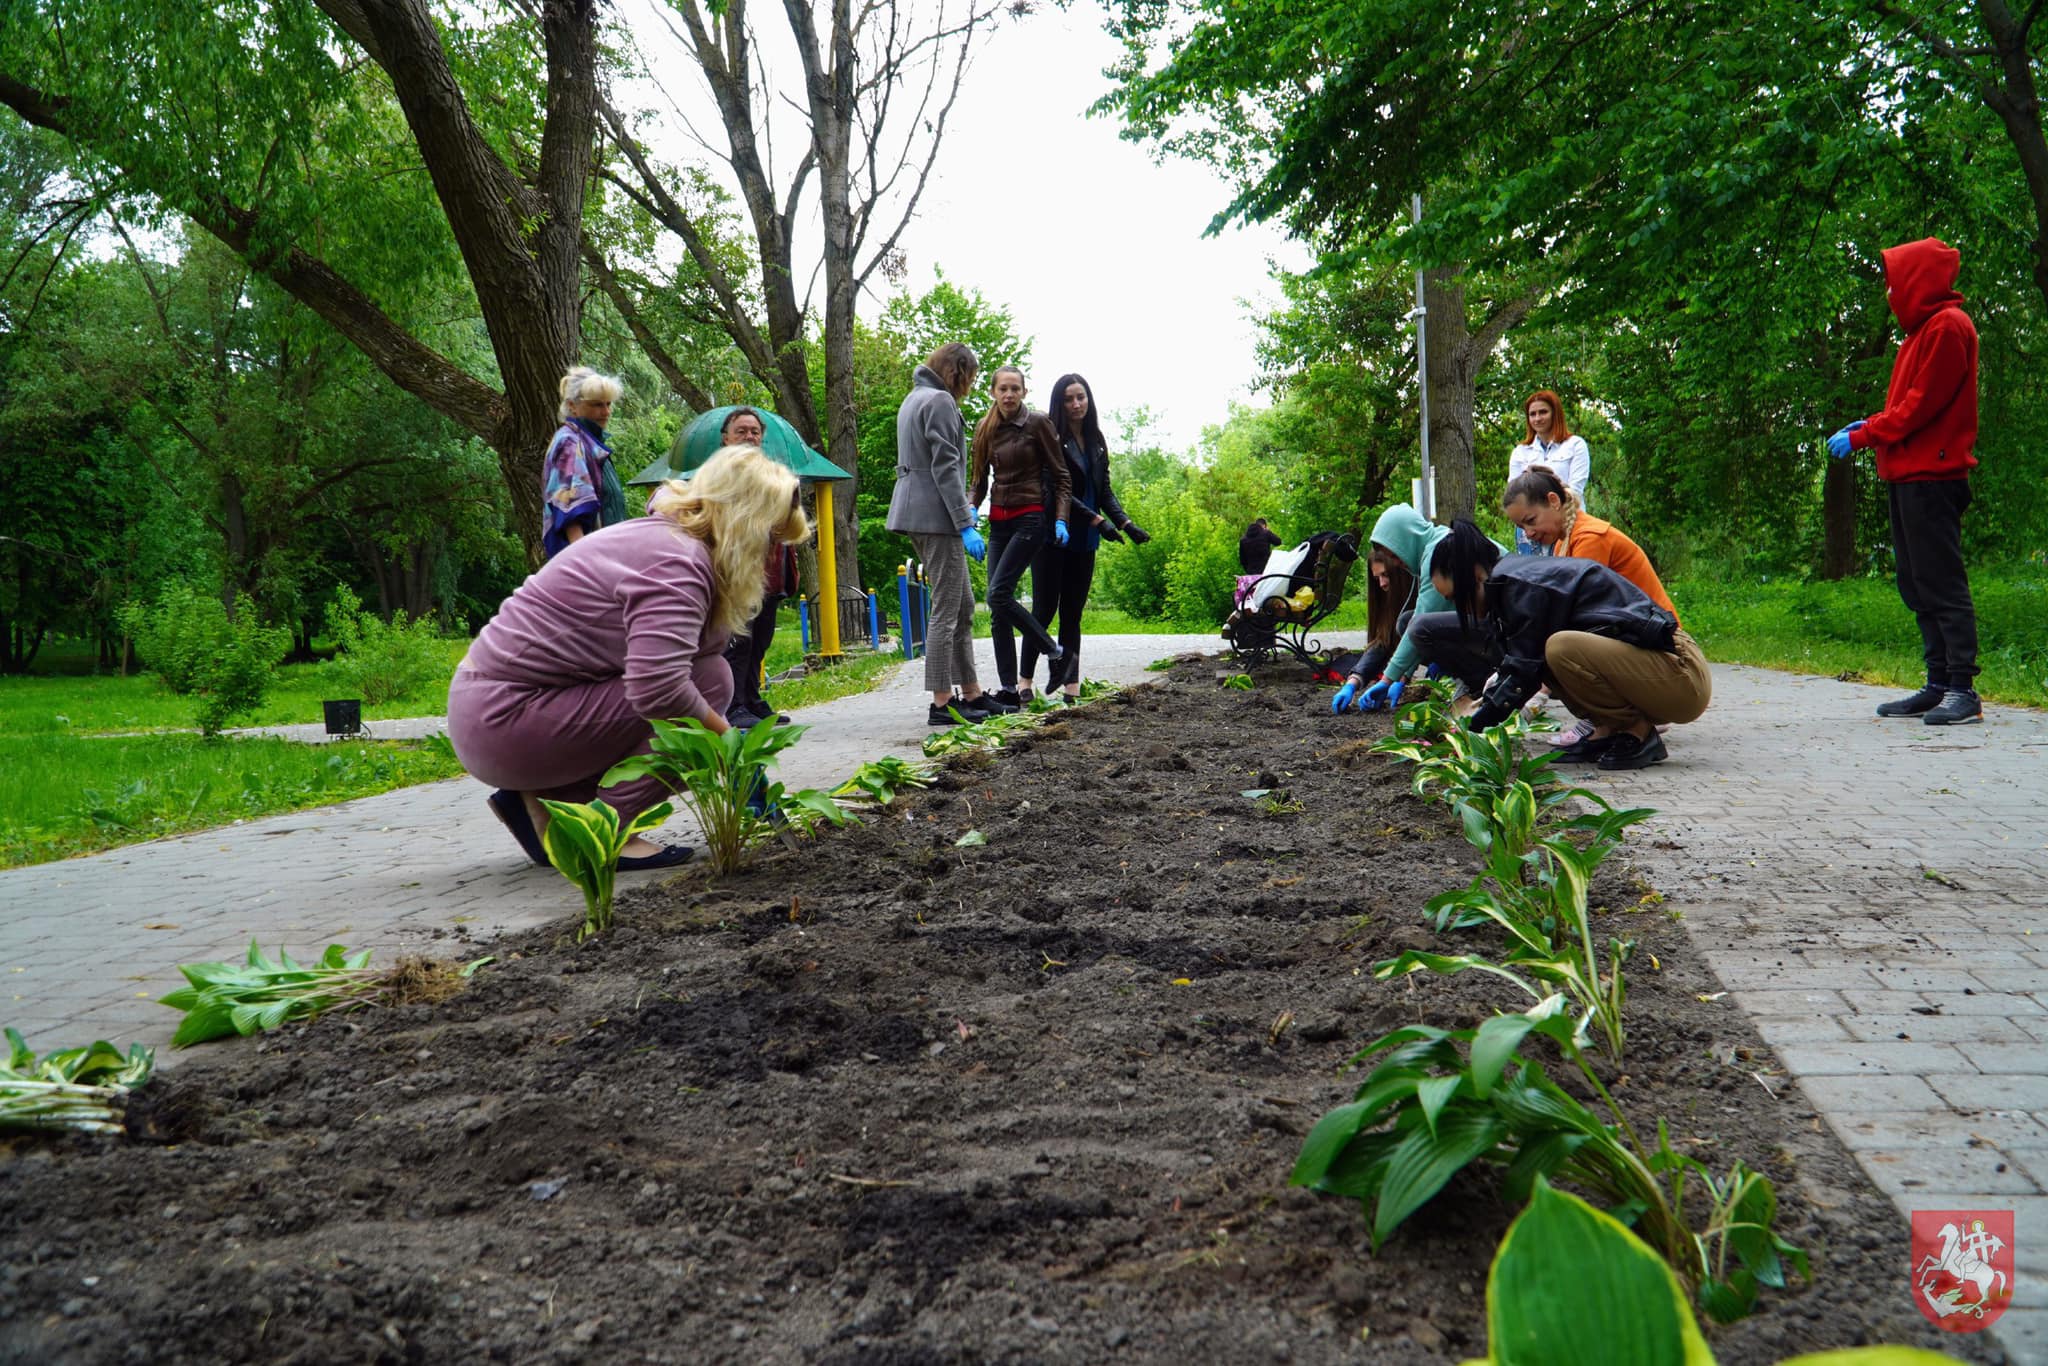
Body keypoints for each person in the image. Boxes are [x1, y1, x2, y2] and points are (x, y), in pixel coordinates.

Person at [450, 448, 810, 869]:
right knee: (707, 688)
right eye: (770, 537)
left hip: (497, 712)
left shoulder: (667, 540)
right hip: (505, 717)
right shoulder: (677, 562)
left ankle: (551, 804)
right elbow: (660, 687)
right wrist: (731, 746)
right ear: (746, 523)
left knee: (710, 676)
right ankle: (604, 830)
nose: (769, 554)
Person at [1826, 237, 1982, 727]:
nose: (1890, 293)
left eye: (1894, 283)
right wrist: (1870, 424)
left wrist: (1865, 436)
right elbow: (1905, 404)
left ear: (1918, 281)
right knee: (1916, 581)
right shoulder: (1920, 333)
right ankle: (1938, 683)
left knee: (1941, 580)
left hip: (1934, 477)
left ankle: (1963, 689)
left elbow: (1920, 407)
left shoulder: (1949, 327)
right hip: (1909, 474)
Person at [1431, 520, 1710, 769]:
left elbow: (1522, 673)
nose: (1458, 608)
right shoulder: (1507, 586)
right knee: (1550, 655)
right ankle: (1606, 730)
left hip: (1681, 674)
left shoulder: (1520, 585)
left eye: (1455, 597)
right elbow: (1523, 667)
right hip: (1661, 674)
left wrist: (1473, 728)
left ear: (1475, 574)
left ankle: (1637, 732)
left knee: (1559, 647)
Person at [1501, 465, 1679, 749]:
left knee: (1561, 646)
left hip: (1660, 649)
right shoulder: (1565, 542)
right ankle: (1612, 719)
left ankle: (1607, 721)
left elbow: (1581, 621)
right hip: (1635, 641)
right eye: (1522, 528)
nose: (1529, 533)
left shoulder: (1590, 539)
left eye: (1531, 521)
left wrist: (1539, 691)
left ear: (1553, 501)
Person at [887, 342, 1004, 727]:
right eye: (970, 377)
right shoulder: (938, 401)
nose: (970, 385)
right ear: (958, 372)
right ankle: (942, 702)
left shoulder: (915, 397)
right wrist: (965, 522)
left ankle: (971, 692)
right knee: (947, 608)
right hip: (935, 518)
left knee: (963, 605)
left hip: (920, 513)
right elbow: (945, 466)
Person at [1018, 373, 1149, 703]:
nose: (1076, 404)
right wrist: (1097, 520)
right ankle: (1024, 683)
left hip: (1086, 539)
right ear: (1059, 403)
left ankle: (1071, 687)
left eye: (1081, 397)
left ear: (1089, 400)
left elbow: (1103, 491)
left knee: (1072, 614)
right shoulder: (1051, 436)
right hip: (1054, 535)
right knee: (1044, 611)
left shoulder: (1096, 440)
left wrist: (1126, 524)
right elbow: (1054, 490)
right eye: (1069, 399)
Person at [1332, 504, 1506, 713]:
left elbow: (1421, 624)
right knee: (1407, 622)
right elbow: (1413, 625)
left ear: (1406, 540)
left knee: (1417, 627)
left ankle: (1479, 682)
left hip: (1504, 628)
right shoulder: (1436, 543)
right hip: (1494, 625)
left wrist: (1387, 680)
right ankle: (1478, 678)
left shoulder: (1438, 555)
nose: (1397, 563)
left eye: (1394, 556)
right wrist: (1397, 677)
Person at [969, 366, 1073, 707]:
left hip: (1030, 519)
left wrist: (1060, 520)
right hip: (998, 523)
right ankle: (1009, 691)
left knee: (997, 594)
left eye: (1015, 388)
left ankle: (1054, 651)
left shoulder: (1038, 423)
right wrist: (970, 510)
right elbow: (978, 481)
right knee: (997, 609)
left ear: (1024, 392)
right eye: (1003, 388)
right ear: (993, 392)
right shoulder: (984, 428)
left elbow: (1062, 477)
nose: (1009, 394)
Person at [717, 407, 800, 728]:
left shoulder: (769, 472)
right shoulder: (721, 474)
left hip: (771, 572)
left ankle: (751, 698)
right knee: (738, 641)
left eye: (754, 431)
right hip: (738, 572)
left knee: (760, 639)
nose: (749, 436)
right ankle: (732, 705)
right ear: (726, 439)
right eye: (741, 431)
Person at [542, 367, 629, 561]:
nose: (606, 412)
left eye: (608, 404)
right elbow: (570, 512)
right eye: (597, 405)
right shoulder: (570, 443)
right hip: (587, 562)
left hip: (605, 557)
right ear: (572, 406)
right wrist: (587, 565)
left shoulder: (590, 443)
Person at [1506, 391, 1590, 555]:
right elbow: (1513, 494)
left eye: (1543, 412)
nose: (1537, 418)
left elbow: (1575, 491)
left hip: (1566, 523)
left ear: (1555, 413)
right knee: (1532, 570)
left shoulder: (1575, 445)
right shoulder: (1520, 452)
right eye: (1532, 414)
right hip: (1531, 528)